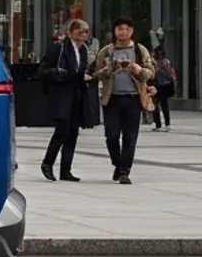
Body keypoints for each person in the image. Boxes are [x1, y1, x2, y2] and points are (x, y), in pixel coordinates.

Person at [91, 17, 153, 185]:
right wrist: (110, 68)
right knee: (111, 136)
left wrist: (138, 69)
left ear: (131, 31)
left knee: (130, 138)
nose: (123, 32)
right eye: (119, 29)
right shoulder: (106, 51)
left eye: (126, 29)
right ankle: (118, 164)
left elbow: (151, 72)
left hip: (133, 98)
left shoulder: (140, 50)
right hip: (112, 99)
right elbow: (96, 74)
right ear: (115, 31)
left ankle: (124, 171)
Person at [36, 18, 96, 183]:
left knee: (73, 133)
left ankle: (66, 169)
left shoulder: (83, 50)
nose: (82, 36)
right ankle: (48, 163)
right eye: (79, 33)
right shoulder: (59, 48)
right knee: (62, 130)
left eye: (85, 33)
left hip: (77, 94)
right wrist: (57, 73)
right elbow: (42, 70)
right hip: (62, 94)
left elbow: (81, 69)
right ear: (71, 32)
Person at [150, 46, 177, 132]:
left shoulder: (165, 62)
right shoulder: (153, 62)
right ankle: (158, 124)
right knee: (155, 106)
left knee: (164, 105)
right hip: (155, 85)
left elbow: (168, 74)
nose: (154, 54)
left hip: (163, 86)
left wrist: (158, 70)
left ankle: (167, 124)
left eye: (155, 52)